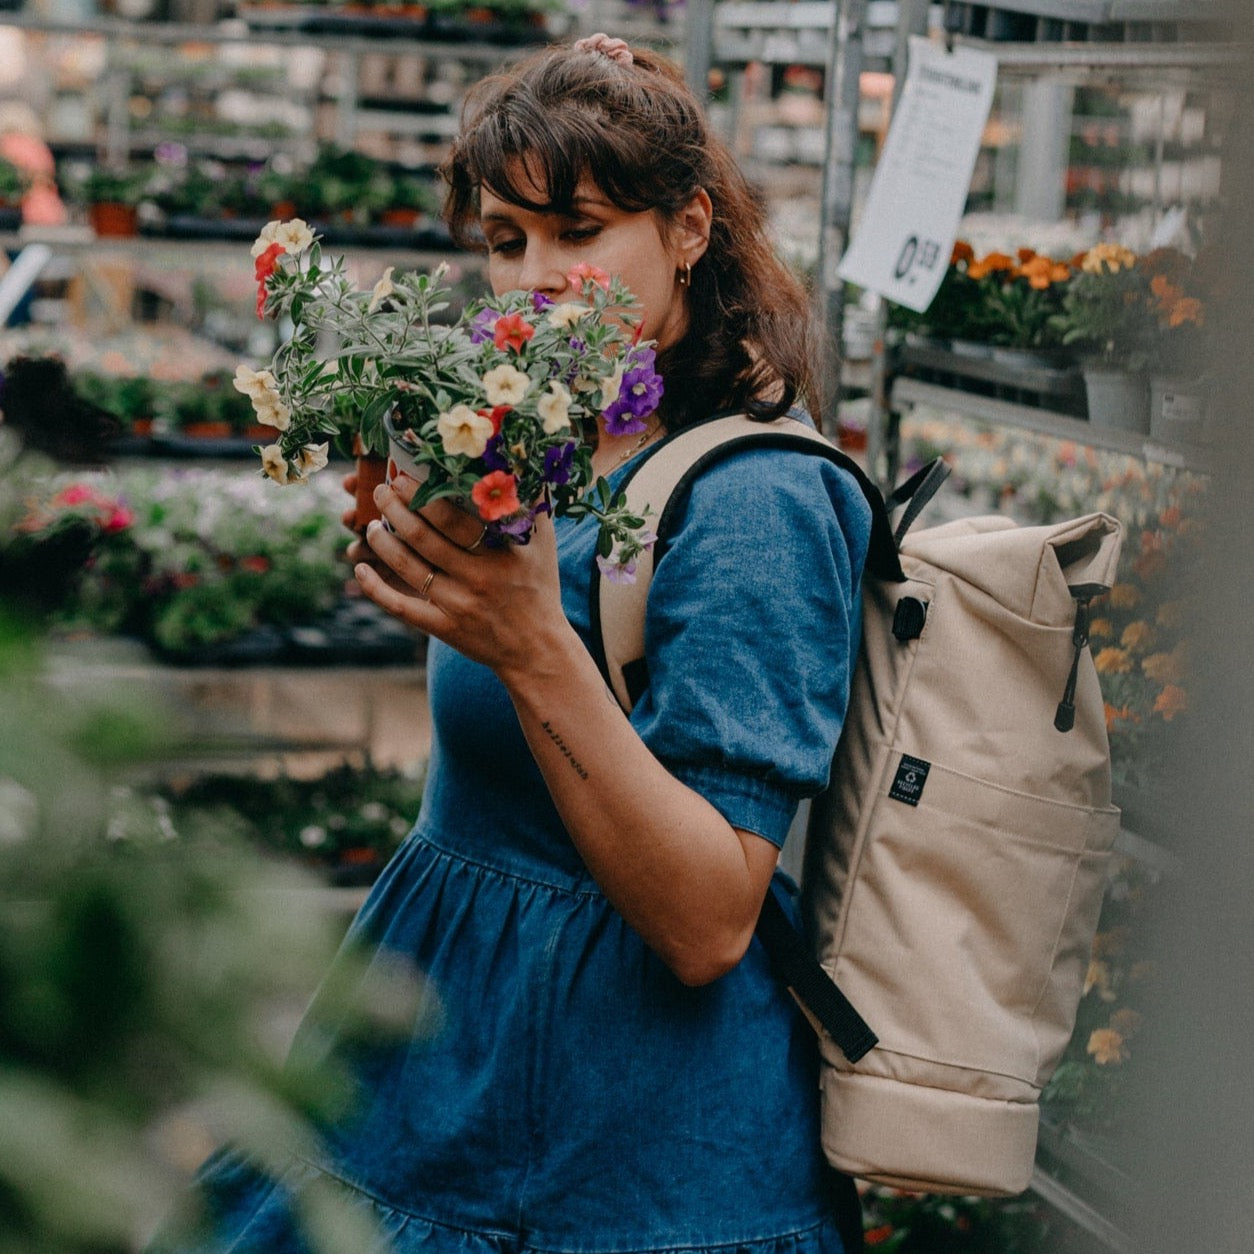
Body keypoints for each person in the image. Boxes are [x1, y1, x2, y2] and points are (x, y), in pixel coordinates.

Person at [162, 33, 872, 1254]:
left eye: (578, 230)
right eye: (506, 241)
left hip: (627, 1143)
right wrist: (423, 556)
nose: (535, 277)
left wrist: (530, 644)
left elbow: (709, 921)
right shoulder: (546, 438)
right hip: (441, 1064)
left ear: (691, 227)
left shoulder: (757, 499)